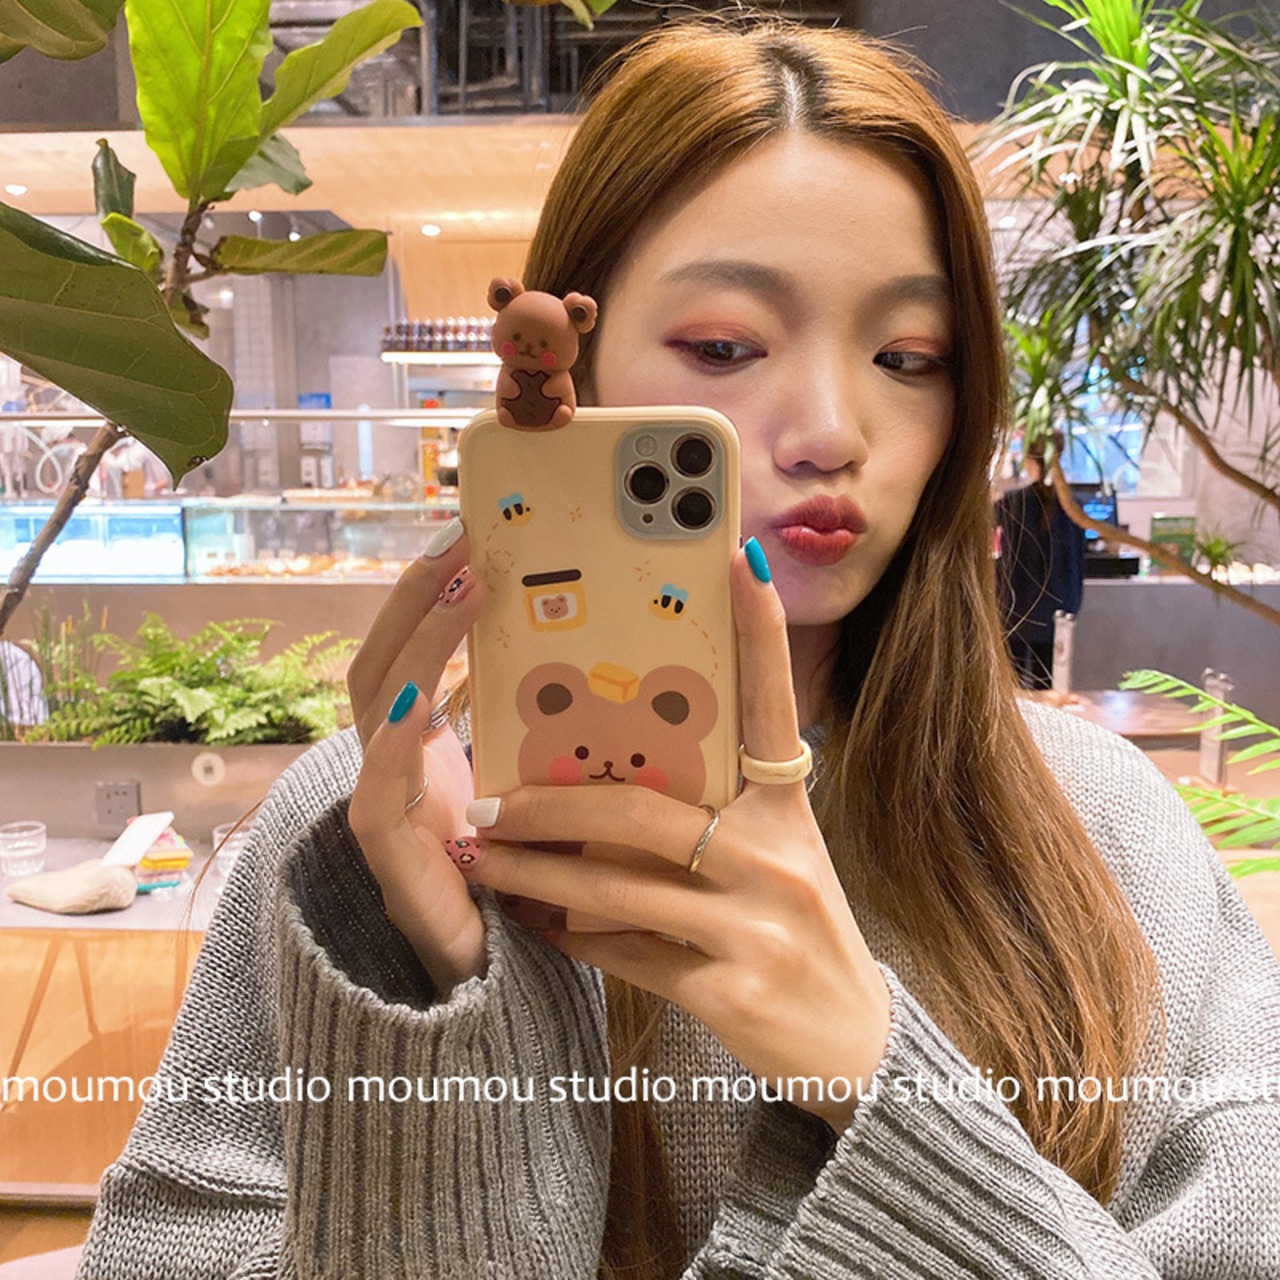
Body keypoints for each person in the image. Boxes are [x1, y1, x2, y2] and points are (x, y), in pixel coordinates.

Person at [78, 18, 1280, 1280]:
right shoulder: (365, 830)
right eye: (722, 346)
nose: (831, 428)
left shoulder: (1103, 828)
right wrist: (448, 998)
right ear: (573, 366)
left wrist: (876, 1071)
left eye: (907, 358)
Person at [994, 432, 1086, 690]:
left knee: (1010, 693)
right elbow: (1077, 565)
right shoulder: (1074, 507)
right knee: (1049, 691)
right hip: (1058, 616)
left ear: (1028, 458)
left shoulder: (1010, 504)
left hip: (1013, 614)